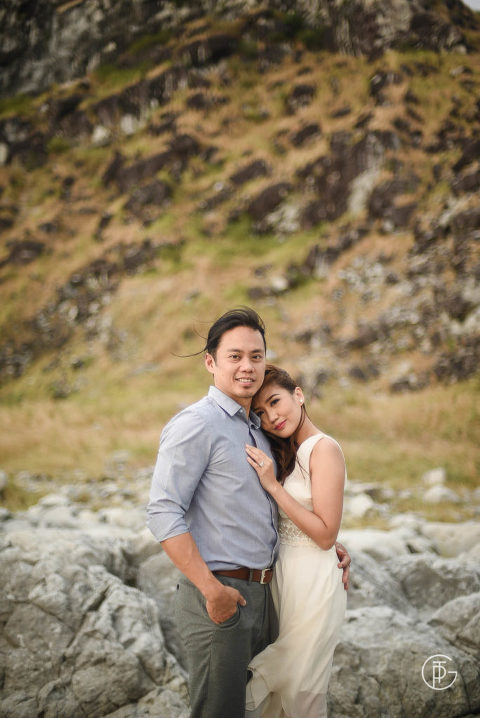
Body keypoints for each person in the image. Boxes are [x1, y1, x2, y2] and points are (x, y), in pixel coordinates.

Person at [146, 307, 350, 718]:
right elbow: (163, 512)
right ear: (210, 362)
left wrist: (330, 546)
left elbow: (272, 506)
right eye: (235, 356)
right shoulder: (196, 423)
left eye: (256, 356)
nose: (247, 366)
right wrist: (211, 590)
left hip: (268, 597)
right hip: (221, 593)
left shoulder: (259, 428)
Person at [244, 364, 347, 718]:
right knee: (283, 691)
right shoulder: (287, 452)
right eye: (260, 412)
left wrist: (273, 487)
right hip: (285, 579)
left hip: (313, 583)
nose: (271, 417)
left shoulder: (324, 449)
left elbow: (325, 535)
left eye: (275, 402)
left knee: (301, 687)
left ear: (298, 395)